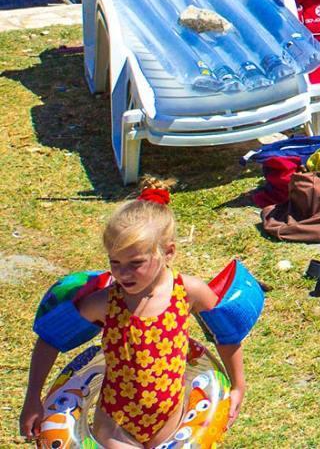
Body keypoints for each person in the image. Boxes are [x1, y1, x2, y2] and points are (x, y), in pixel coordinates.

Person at [16, 184, 248, 445]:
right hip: (116, 422)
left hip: (170, 418)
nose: (123, 273)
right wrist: (33, 396)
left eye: (135, 263)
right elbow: (51, 339)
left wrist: (238, 385)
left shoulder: (189, 291)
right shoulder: (105, 302)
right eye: (115, 262)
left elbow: (226, 335)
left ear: (168, 252)